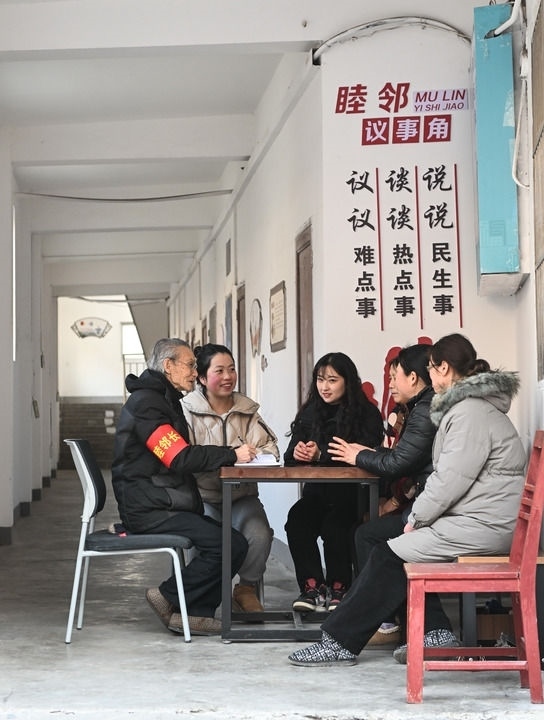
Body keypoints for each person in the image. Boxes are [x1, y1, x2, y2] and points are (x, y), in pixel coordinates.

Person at [288, 333, 527, 667]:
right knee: (390, 548)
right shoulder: (471, 408)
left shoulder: (469, 413)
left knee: (389, 552)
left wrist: (416, 519)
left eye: (431, 369)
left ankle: (340, 642)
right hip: (479, 519)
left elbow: (448, 481)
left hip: (483, 524)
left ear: (444, 369)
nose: (428, 377)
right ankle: (432, 634)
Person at [111, 338, 255, 636]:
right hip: (150, 508)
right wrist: (231, 454)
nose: (194, 372)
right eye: (189, 365)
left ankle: (190, 612)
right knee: (228, 544)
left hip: (161, 502)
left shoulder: (162, 399)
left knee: (231, 542)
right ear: (169, 366)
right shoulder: (147, 404)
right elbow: (177, 456)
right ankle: (170, 597)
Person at [328, 343, 436, 642]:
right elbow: (405, 457)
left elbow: (399, 463)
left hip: (433, 512)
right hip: (427, 506)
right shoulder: (421, 407)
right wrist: (370, 453)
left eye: (394, 377)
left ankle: (391, 623)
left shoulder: (424, 409)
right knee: (366, 532)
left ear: (413, 377)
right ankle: (410, 624)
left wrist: (359, 456)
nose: (391, 384)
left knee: (370, 536)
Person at [182, 343, 279, 613]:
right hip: (203, 497)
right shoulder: (187, 412)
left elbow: (271, 449)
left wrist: (253, 455)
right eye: (220, 371)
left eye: (232, 369)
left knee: (259, 534)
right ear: (202, 378)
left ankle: (245, 589)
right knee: (206, 542)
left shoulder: (247, 411)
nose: (228, 377)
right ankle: (202, 596)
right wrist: (230, 456)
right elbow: (186, 456)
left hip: (242, 496)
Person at [284, 352, 384, 612]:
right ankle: (311, 587)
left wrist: (321, 455)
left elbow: (367, 455)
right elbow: (289, 455)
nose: (324, 387)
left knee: (336, 527)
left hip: (352, 496)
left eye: (332, 380)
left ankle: (340, 587)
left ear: (347, 382)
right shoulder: (310, 411)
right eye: (320, 380)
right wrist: (297, 453)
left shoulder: (366, 414)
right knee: (297, 520)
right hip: (316, 494)